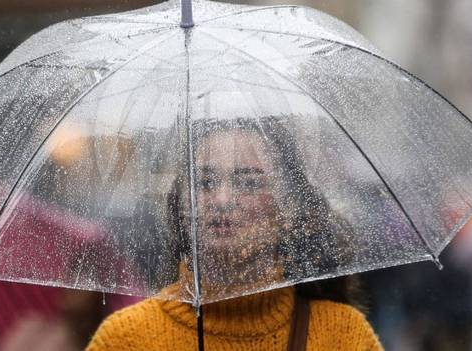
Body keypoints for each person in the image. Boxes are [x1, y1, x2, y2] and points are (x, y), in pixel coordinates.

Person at [86, 117, 383, 350]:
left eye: (250, 183)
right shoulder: (127, 338)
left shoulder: (343, 336)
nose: (223, 199)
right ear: (182, 203)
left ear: (289, 208)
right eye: (205, 182)